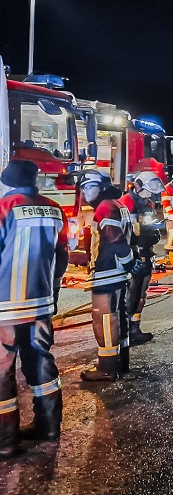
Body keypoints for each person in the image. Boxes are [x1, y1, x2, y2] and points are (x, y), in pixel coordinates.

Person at [0, 161, 69, 457]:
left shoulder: (4, 207)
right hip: (40, 304)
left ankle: (5, 442)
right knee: (41, 362)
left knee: (2, 371)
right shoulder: (54, 208)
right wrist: (51, 290)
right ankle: (49, 427)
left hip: (5, 308)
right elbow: (62, 254)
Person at [79, 170, 142, 382]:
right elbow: (129, 238)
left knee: (104, 319)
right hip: (118, 274)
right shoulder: (119, 205)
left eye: (90, 186)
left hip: (107, 273)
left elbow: (114, 239)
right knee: (120, 317)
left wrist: (129, 263)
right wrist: (130, 264)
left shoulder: (105, 207)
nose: (85, 191)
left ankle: (107, 368)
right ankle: (122, 362)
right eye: (84, 187)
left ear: (103, 186)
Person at [119, 172, 165, 346]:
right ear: (137, 186)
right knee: (130, 294)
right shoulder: (125, 204)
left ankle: (134, 329)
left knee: (141, 295)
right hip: (132, 256)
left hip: (145, 253)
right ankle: (123, 332)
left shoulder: (148, 204)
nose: (149, 195)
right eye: (146, 191)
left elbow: (148, 226)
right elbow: (122, 233)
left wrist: (155, 233)